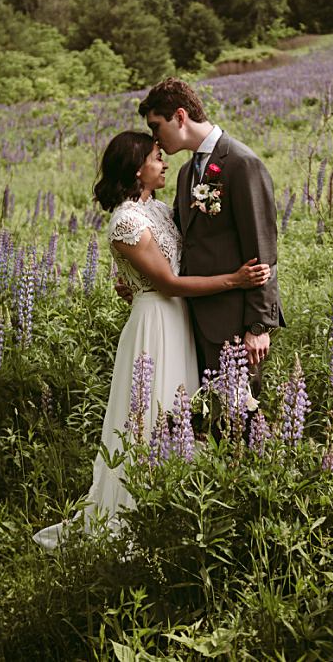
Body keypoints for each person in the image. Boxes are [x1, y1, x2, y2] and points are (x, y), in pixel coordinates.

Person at [32, 131, 269, 550]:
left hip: (178, 321)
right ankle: (131, 518)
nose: (164, 162)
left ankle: (171, 511)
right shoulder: (126, 221)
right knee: (149, 415)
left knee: (181, 414)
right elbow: (168, 282)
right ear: (137, 167)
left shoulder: (159, 209)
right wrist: (235, 279)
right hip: (155, 322)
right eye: (157, 157)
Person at [137, 78, 285, 379]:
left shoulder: (241, 163)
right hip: (190, 320)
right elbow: (180, 241)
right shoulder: (185, 173)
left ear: (180, 117)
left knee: (239, 417)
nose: (154, 138)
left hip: (233, 324)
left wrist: (258, 326)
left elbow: (262, 250)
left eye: (156, 126)